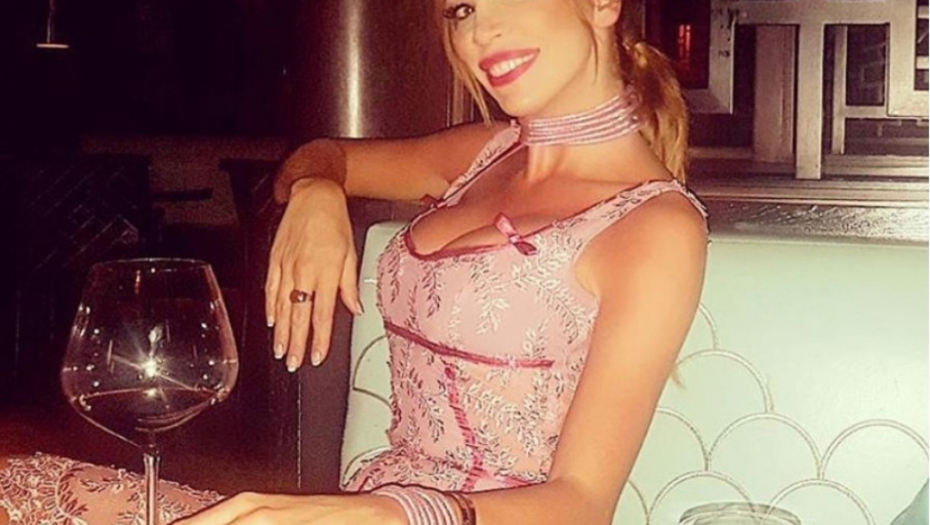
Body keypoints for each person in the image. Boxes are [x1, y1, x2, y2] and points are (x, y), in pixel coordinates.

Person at [0, 0, 707, 523]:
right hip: (360, 506)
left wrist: (388, 513)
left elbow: (581, 503)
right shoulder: (482, 153)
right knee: (21, 488)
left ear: (602, 3)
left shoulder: (655, 224)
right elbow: (317, 156)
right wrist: (318, 191)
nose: (480, 31)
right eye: (461, 9)